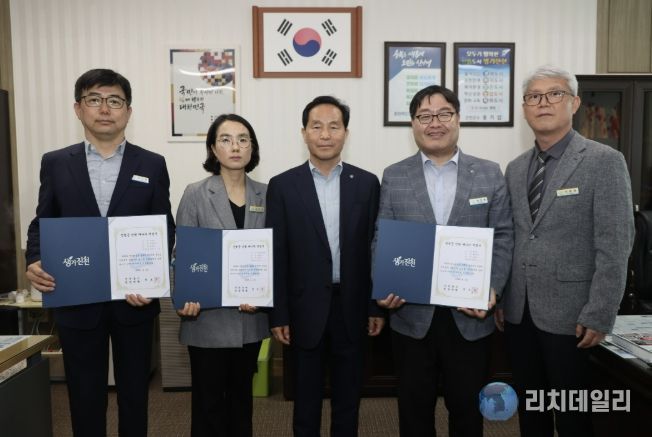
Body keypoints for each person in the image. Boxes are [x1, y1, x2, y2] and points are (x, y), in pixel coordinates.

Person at [25, 68, 175, 436]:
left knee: (135, 394)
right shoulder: (56, 162)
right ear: (78, 108)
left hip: (134, 300)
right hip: (77, 297)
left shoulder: (152, 163)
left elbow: (164, 227)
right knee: (84, 395)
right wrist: (34, 259)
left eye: (115, 101)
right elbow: (43, 221)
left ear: (128, 111)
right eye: (94, 99)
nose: (105, 109)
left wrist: (153, 279)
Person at [497, 65, 635, 437]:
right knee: (532, 409)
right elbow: (512, 238)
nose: (543, 103)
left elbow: (615, 244)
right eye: (534, 96)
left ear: (574, 103)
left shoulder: (604, 161)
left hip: (574, 316)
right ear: (524, 108)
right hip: (519, 313)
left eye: (554, 94)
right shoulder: (515, 169)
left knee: (573, 414)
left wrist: (600, 311)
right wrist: (502, 298)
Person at [375, 85, 514, 437]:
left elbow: (502, 236)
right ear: (413, 124)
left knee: (467, 410)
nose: (434, 123)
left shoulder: (489, 173)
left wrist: (492, 288)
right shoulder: (394, 175)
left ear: (458, 119)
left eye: (443, 114)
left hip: (469, 317)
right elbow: (382, 237)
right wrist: (384, 286)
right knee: (414, 410)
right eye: (424, 116)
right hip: (410, 316)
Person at [266, 95, 385, 436]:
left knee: (349, 398)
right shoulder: (283, 186)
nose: (325, 135)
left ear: (346, 133)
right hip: (303, 309)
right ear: (303, 133)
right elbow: (276, 254)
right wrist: (278, 314)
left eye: (334, 126)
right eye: (316, 126)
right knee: (305, 399)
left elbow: (375, 249)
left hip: (352, 307)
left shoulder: (367, 183)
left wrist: (375, 306)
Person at [175, 114, 268, 437]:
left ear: (252, 147)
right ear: (213, 149)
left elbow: (275, 255)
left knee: (242, 403)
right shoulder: (196, 193)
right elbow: (183, 255)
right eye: (226, 140)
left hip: (250, 320)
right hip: (206, 319)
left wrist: (264, 294)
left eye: (243, 139)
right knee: (208, 405)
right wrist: (184, 297)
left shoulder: (267, 194)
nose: (235, 147)